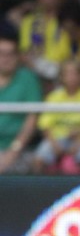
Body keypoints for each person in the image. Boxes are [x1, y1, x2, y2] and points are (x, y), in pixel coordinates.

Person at [33, 59, 80, 175]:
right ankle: (37, 191)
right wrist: (54, 145)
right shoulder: (54, 97)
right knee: (37, 160)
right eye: (67, 73)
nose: (71, 77)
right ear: (61, 77)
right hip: (55, 139)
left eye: (75, 73)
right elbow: (44, 125)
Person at [0, 33, 43, 174]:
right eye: (1, 54)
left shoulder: (28, 79)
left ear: (18, 57)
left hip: (20, 151)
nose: (5, 59)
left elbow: (32, 119)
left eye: (10, 54)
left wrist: (14, 150)